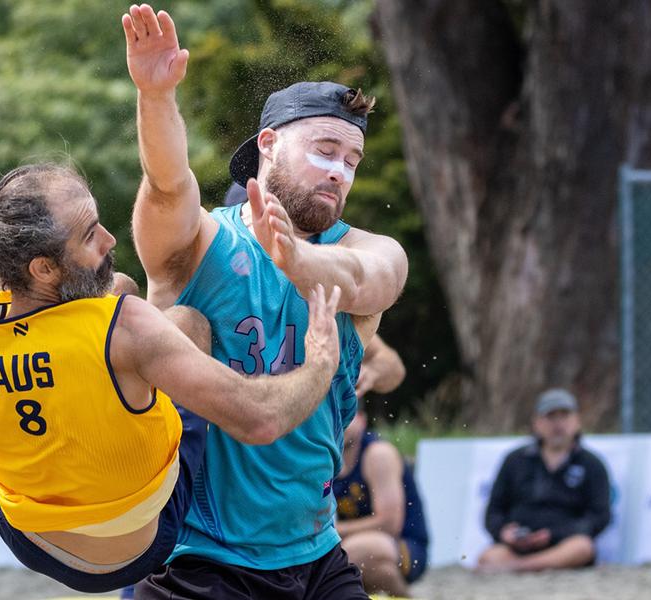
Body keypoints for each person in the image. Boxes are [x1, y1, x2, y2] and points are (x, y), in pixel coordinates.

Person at [0, 150, 345, 593]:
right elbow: (262, 418)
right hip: (144, 540)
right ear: (45, 266)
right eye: (90, 234)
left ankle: (9, 496)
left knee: (110, 295)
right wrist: (321, 359)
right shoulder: (131, 330)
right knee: (189, 321)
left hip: (35, 540)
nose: (111, 238)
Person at [123, 4, 409, 597]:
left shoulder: (366, 248)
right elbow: (167, 183)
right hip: (196, 557)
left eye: (352, 161)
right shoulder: (202, 242)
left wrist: (298, 261)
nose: (341, 173)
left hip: (316, 552)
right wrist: (155, 99)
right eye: (326, 150)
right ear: (270, 144)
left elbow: (368, 277)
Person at [476, 389, 610, 573]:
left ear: (577, 421)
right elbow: (493, 511)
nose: (558, 424)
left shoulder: (592, 464)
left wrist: (554, 534)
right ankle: (529, 565)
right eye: (550, 417)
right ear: (537, 423)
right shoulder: (514, 460)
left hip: (563, 544)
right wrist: (504, 533)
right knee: (489, 555)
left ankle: (520, 568)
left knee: (582, 547)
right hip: (518, 547)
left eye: (564, 416)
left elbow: (599, 517)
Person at [333, 407, 428, 596]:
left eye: (347, 416)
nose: (340, 423)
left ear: (362, 420)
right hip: (364, 553)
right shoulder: (325, 457)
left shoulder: (378, 454)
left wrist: (331, 531)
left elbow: (389, 524)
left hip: (403, 543)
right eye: (334, 416)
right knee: (372, 568)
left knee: (343, 557)